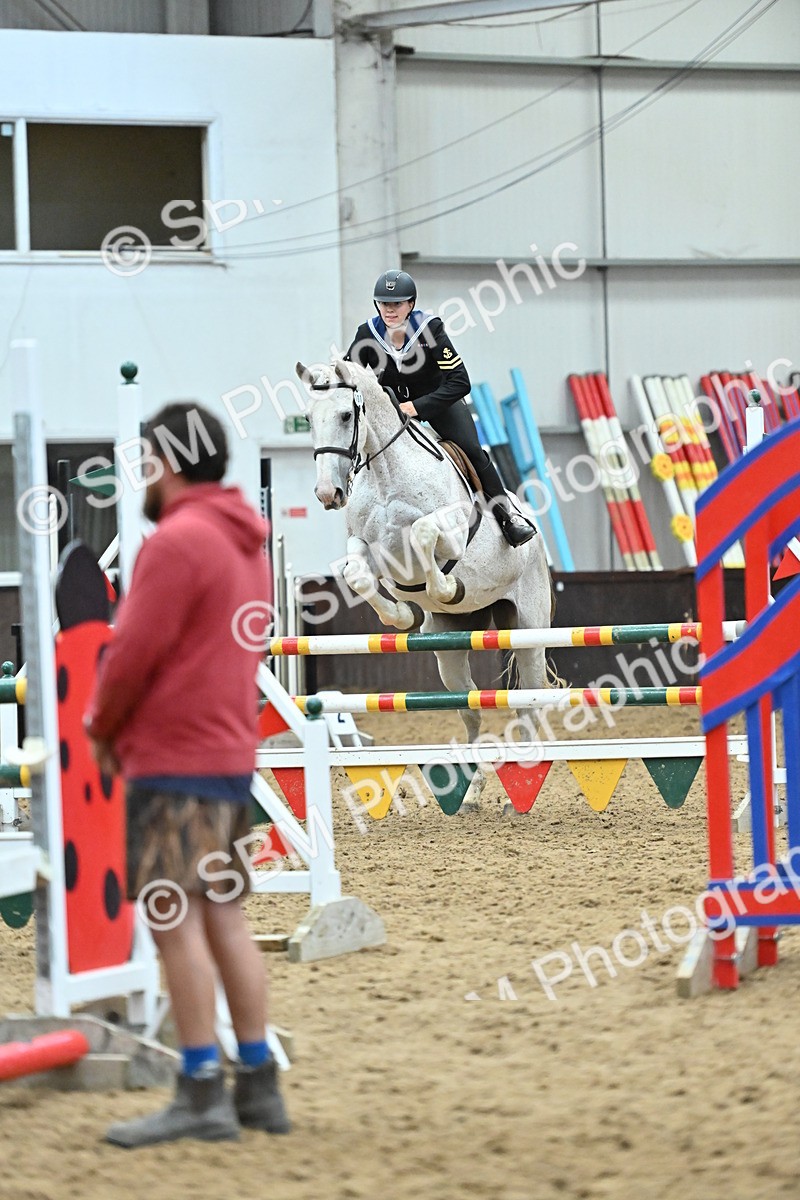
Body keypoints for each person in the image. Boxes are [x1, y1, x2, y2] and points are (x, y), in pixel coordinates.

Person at [84, 402, 289, 1148]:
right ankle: (258, 1084)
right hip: (230, 752)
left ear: (165, 462)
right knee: (225, 920)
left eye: (143, 461)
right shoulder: (245, 543)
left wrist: (100, 726)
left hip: (173, 757)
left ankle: (200, 1085)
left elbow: (132, 653)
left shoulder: (176, 543)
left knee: (173, 924)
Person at [345, 269, 536, 547]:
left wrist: (417, 407)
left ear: (410, 304)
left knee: (472, 450)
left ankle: (507, 518)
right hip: (391, 412)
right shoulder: (367, 334)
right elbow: (349, 375)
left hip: (437, 403)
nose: (390, 310)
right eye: (385, 303)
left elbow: (460, 382)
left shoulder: (429, 329)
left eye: (397, 303)